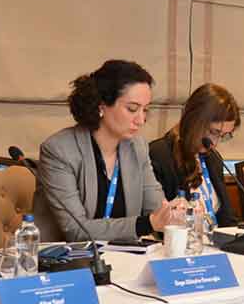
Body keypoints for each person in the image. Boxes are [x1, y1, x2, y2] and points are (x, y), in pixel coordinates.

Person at [35, 59, 183, 242]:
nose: (141, 120)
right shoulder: (60, 151)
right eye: (132, 109)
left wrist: (175, 214)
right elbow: (77, 230)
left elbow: (157, 209)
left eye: (145, 110)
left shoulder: (137, 147)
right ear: (101, 106)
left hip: (124, 255)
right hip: (71, 256)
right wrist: (147, 223)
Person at [148, 82, 240, 228]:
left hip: (215, 240)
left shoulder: (213, 159)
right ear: (194, 120)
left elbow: (227, 218)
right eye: (214, 132)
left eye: (223, 136)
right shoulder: (159, 155)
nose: (215, 143)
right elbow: (159, 220)